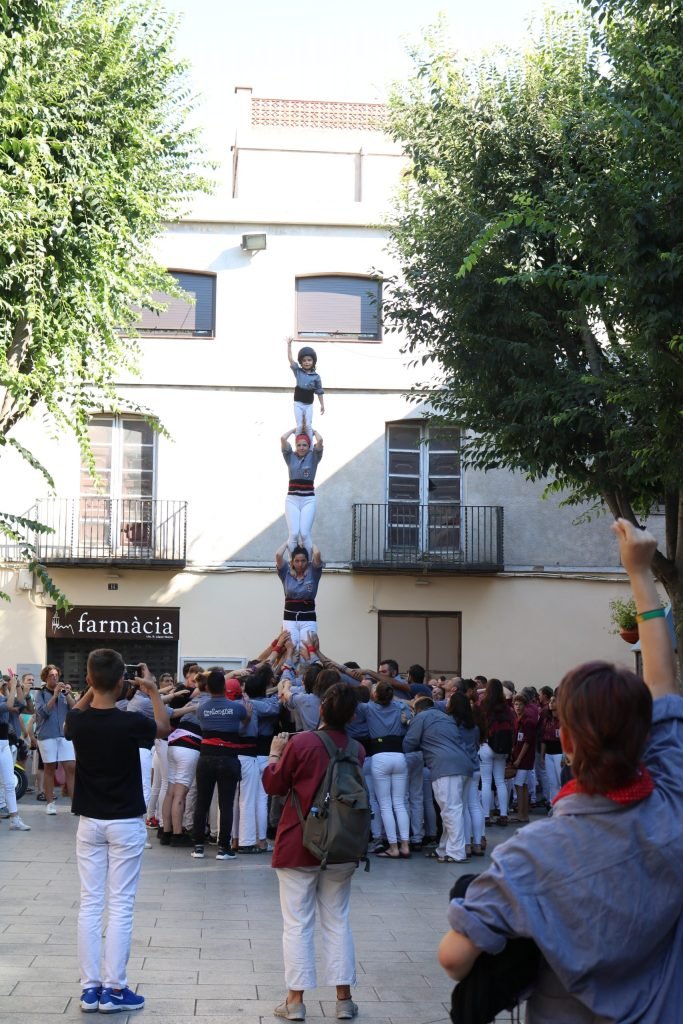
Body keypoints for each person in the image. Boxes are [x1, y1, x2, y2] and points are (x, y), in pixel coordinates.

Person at [438, 519, 683, 1023]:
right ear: (647, 736)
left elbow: (454, 957)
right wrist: (641, 573)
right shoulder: (674, 801)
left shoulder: (530, 855)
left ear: (565, 740)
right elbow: (663, 677)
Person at [64, 652, 170, 1014]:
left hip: (89, 821)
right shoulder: (131, 724)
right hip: (125, 821)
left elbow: (72, 719)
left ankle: (89, 988)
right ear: (123, 682)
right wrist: (153, 692)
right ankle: (114, 988)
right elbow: (164, 730)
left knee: (90, 903)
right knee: (120, 905)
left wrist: (91, 690)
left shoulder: (78, 722)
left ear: (90, 681)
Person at [262, 682, 362, 1022]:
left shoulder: (301, 743)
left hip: (299, 842)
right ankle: (344, 999)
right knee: (338, 920)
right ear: (352, 716)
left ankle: (294, 1001)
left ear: (321, 709)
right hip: (342, 845)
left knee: (297, 924)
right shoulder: (357, 749)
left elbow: (274, 785)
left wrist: (275, 752)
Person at [190, 670, 252, 861]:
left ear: (207, 688)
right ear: (225, 687)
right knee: (225, 804)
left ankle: (198, 846)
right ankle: (223, 848)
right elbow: (246, 721)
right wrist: (247, 712)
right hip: (229, 757)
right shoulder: (236, 708)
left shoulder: (201, 708)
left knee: (202, 802)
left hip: (206, 756)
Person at [34, 664, 76, 814]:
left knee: (71, 767)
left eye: (56, 675)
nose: (55, 678)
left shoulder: (64, 693)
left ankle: (74, 804)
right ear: (45, 678)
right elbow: (42, 713)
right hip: (47, 735)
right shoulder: (41, 694)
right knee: (49, 768)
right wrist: (54, 696)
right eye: (51, 676)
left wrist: (68, 695)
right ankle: (50, 803)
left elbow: (76, 709)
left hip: (64, 735)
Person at [281, 428, 323, 556]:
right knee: (293, 533)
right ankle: (293, 564)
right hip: (292, 499)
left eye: (304, 445)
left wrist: (313, 431)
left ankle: (309, 564)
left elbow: (320, 440)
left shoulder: (314, 457)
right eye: (299, 445)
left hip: (308, 499)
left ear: (309, 445)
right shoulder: (290, 457)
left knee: (304, 533)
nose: (301, 447)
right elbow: (282, 439)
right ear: (295, 446)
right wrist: (294, 430)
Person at [275, 542, 323, 648]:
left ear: (308, 561)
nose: (300, 564)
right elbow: (278, 555)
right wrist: (289, 542)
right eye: (296, 561)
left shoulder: (313, 573)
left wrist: (309, 542)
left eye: (303, 561)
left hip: (308, 618)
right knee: (291, 650)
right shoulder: (286, 573)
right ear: (292, 562)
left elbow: (317, 553)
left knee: (308, 650)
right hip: (289, 618)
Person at [0, 673, 30, 830]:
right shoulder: (4, 699)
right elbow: (9, 704)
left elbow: (20, 702)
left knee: (9, 783)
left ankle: (14, 818)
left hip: (4, 743)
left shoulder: (3, 697)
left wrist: (17, 686)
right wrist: (11, 686)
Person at [287, 338, 324, 440]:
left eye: (309, 360)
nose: (306, 362)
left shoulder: (316, 377)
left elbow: (319, 392)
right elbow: (290, 359)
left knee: (308, 426)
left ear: (313, 361)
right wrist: (289, 345)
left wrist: (322, 404)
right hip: (298, 403)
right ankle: (298, 447)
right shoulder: (298, 372)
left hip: (308, 405)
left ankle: (310, 448)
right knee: (299, 426)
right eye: (304, 360)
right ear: (301, 362)